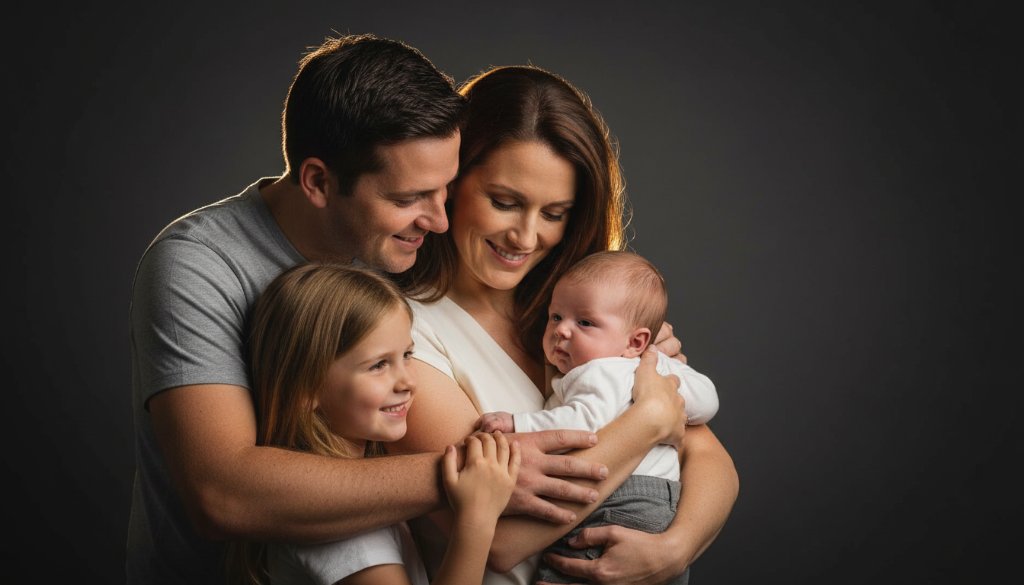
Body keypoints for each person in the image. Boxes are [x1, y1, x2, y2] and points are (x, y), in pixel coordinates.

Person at [127, 34, 617, 585]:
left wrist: (622, 362)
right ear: (318, 181)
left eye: (446, 189)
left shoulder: (400, 253)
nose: (440, 221)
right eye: (408, 199)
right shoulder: (200, 264)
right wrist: (478, 472)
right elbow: (222, 494)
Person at [391, 65, 739, 585]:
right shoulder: (400, 332)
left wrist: (675, 548)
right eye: (504, 203)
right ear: (451, 182)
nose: (525, 237)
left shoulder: (581, 309)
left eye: (554, 213)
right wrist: (647, 422)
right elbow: (501, 539)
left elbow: (708, 456)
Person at [226, 262, 519, 585]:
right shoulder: (346, 537)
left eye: (407, 355)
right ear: (307, 387)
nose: (407, 381)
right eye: (379, 365)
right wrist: (476, 518)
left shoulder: (360, 495)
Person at [475, 250, 719, 584]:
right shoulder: (653, 367)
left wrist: (518, 424)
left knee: (572, 567)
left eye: (585, 323)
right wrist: (671, 381)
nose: (562, 331)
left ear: (635, 341)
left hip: (621, 500)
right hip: (664, 503)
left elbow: (582, 425)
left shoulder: (596, 372)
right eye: (556, 316)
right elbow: (708, 401)